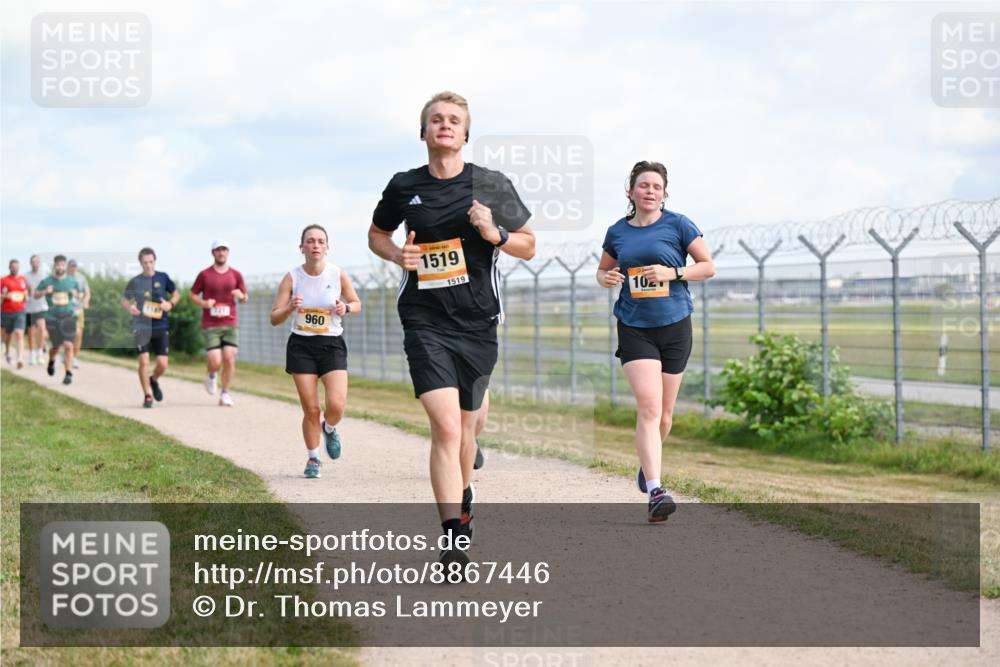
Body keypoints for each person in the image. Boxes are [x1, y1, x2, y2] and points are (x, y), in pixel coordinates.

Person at [368, 91, 535, 567]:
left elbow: (529, 245)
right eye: (436, 119)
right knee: (445, 427)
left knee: (469, 427)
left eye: (454, 120)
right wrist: (397, 254)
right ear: (423, 132)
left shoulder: (492, 184)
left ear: (465, 133)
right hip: (424, 318)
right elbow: (377, 234)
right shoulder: (404, 185)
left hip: (478, 321)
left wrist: (495, 233)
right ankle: (453, 534)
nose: (444, 125)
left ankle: (464, 494)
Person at [596, 161, 715, 522]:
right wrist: (606, 278)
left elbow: (707, 266)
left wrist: (673, 272)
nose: (650, 191)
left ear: (664, 193)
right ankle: (656, 490)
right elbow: (603, 270)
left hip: (675, 324)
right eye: (643, 185)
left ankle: (647, 467)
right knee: (648, 408)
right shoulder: (617, 231)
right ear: (631, 192)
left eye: (657, 187)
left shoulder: (678, 225)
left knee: (664, 416)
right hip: (634, 326)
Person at [270, 225, 361, 479]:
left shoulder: (338, 275)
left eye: (321, 241)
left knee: (337, 404)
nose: (316, 245)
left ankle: (329, 428)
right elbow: (274, 317)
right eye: (310, 241)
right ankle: (313, 458)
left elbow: (356, 303)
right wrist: (289, 308)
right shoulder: (292, 277)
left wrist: (346, 308)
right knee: (310, 408)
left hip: (331, 344)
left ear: (327, 247)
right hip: (302, 346)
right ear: (302, 248)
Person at [190, 240, 249, 407]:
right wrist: (203, 303)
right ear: (213, 253)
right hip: (211, 324)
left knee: (230, 359)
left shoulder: (236, 275)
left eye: (224, 250)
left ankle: (225, 393)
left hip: (230, 322)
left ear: (228, 252)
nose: (221, 253)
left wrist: (241, 296)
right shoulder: (204, 275)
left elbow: (245, 298)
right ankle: (211, 375)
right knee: (215, 361)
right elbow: (192, 294)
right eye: (218, 250)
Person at [121, 248, 180, 408]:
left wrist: (170, 304)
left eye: (151, 262)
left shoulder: (163, 277)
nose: (148, 265)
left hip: (161, 325)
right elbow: (125, 300)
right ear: (141, 263)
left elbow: (176, 294)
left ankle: (153, 380)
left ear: (155, 261)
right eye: (145, 262)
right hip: (141, 326)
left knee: (163, 364)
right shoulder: (135, 281)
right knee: (144, 361)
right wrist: (130, 308)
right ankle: (147, 396)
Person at [34, 255, 80, 385]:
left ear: (66, 266)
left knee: (68, 345)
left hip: (68, 316)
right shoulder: (47, 281)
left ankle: (68, 373)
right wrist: (45, 291)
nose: (60, 267)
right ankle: (52, 360)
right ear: (54, 266)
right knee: (55, 347)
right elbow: (35, 295)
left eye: (63, 265)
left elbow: (81, 294)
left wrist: (77, 294)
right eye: (58, 265)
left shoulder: (72, 281)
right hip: (52, 318)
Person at [1, 259, 29, 369]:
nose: (15, 269)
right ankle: (7, 352)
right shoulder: (3, 280)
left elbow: (25, 292)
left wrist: (26, 297)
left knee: (19, 333)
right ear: (9, 268)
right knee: (8, 335)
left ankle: (20, 358)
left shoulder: (22, 280)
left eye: (16, 267)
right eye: (13, 267)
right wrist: (6, 296)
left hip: (20, 311)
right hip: (6, 311)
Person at [24, 254, 49, 366]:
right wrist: (28, 290)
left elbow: (48, 288)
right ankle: (32, 355)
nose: (35, 264)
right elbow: (23, 290)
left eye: (37, 262)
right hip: (29, 308)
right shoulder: (26, 276)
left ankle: (40, 354)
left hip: (41, 306)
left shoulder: (44, 275)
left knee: (42, 330)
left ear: (39, 263)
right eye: (33, 262)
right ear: (30, 263)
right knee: (31, 333)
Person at [67, 259, 90, 369]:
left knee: (78, 334)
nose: (73, 268)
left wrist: (85, 301)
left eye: (75, 266)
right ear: (68, 267)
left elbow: (87, 293)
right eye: (71, 266)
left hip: (79, 309)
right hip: (66, 309)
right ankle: (67, 354)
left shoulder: (81, 278)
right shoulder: (64, 278)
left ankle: (74, 357)